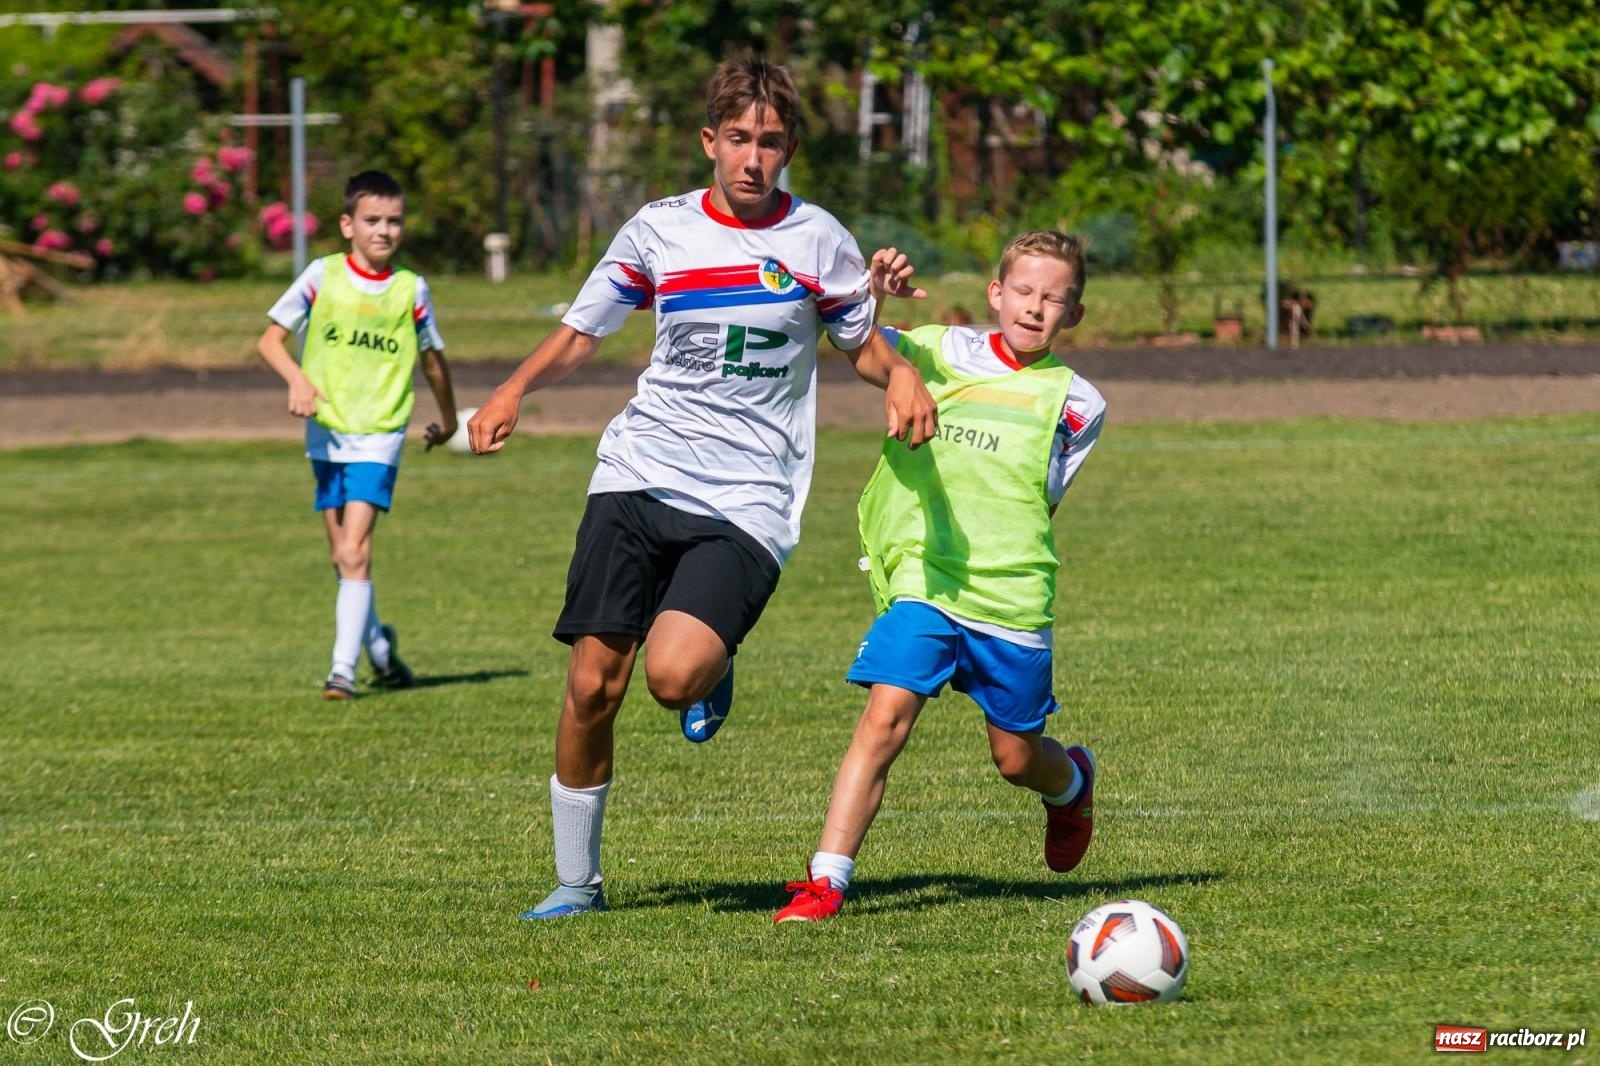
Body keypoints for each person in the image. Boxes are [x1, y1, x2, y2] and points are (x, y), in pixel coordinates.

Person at [467, 55, 937, 920]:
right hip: (640, 470)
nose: (753, 159)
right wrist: (512, 389)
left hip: (749, 495)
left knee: (672, 678)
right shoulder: (659, 231)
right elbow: (583, 331)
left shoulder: (818, 240)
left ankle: (709, 662)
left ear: (788, 146)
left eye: (769, 142)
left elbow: (860, 343)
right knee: (590, 683)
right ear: (709, 142)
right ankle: (577, 883)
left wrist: (900, 373)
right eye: (737, 140)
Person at [774, 229, 1107, 923]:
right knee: (884, 718)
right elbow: (853, 338)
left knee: (1016, 760)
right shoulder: (936, 347)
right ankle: (826, 880)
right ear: (995, 293)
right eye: (1022, 291)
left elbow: (1040, 499)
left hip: (1011, 594)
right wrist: (871, 292)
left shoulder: (1078, 402)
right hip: (925, 579)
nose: (1034, 308)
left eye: (1054, 299)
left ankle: (1070, 783)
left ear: (1072, 314)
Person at [256, 169, 457, 700]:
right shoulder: (322, 277)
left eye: (393, 221)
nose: (383, 231)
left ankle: (340, 672)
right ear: (347, 224)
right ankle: (382, 652)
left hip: (379, 432)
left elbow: (433, 360)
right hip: (326, 430)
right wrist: (298, 379)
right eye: (372, 220)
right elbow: (271, 341)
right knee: (343, 559)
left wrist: (451, 417)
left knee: (353, 550)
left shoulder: (411, 288)